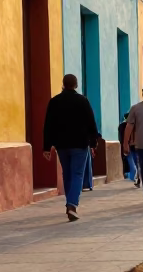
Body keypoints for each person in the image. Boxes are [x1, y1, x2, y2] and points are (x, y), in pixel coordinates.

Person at [41, 74, 100, 222]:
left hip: (62, 144)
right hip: (80, 144)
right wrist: (93, 143)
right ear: (76, 85)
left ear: (63, 84)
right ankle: (72, 205)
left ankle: (70, 203)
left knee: (67, 174)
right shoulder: (83, 101)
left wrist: (47, 146)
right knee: (78, 174)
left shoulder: (54, 102)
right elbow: (91, 123)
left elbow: (48, 125)